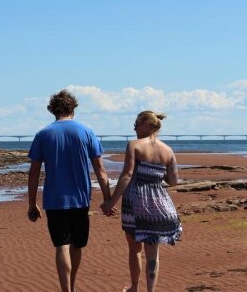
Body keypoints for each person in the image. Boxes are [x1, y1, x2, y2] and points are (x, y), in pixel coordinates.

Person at [27, 89, 112, 292]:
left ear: (53, 110)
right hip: (80, 199)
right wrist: (108, 199)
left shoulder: (43, 134)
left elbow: (33, 173)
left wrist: (32, 204)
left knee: (61, 245)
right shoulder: (86, 132)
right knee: (77, 245)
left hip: (55, 200)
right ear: (73, 108)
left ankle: (67, 289)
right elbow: (100, 170)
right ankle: (71, 286)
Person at [101, 110, 182, 292]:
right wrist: (154, 174)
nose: (134, 127)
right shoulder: (168, 150)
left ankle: (135, 287)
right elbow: (173, 180)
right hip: (160, 206)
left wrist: (111, 203)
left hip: (135, 203)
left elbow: (127, 175)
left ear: (146, 123)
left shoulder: (134, 145)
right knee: (153, 253)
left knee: (135, 248)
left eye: (136, 123)